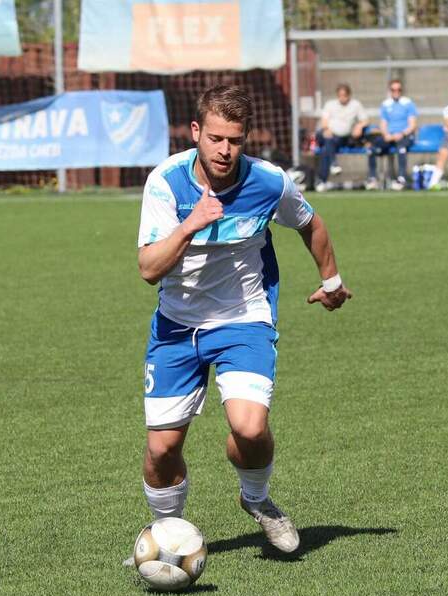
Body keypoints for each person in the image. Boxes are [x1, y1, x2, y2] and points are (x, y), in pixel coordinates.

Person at [134, 85, 352, 557]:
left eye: (234, 140)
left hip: (243, 319)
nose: (224, 150)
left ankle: (256, 499)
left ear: (246, 139)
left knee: (250, 429)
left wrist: (331, 281)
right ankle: (167, 537)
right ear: (196, 132)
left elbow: (310, 223)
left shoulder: (269, 182)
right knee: (162, 449)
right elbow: (149, 269)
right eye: (215, 138)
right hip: (176, 327)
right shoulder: (166, 182)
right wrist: (190, 223)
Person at [315, 83, 369, 192]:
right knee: (327, 138)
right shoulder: (330, 105)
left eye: (344, 95)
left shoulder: (356, 105)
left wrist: (359, 126)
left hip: (343, 138)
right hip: (327, 134)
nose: (342, 98)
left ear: (349, 95)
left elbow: (365, 120)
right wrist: (326, 129)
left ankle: (322, 180)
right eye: (340, 95)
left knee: (326, 149)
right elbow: (324, 121)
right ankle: (333, 164)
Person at [366, 79, 418, 191]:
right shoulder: (386, 104)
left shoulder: (408, 103)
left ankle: (401, 179)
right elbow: (383, 123)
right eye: (393, 90)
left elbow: (412, 125)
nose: (396, 92)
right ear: (390, 91)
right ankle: (372, 179)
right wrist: (386, 135)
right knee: (371, 149)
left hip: (405, 135)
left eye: (398, 89)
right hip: (390, 136)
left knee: (401, 148)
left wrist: (402, 133)